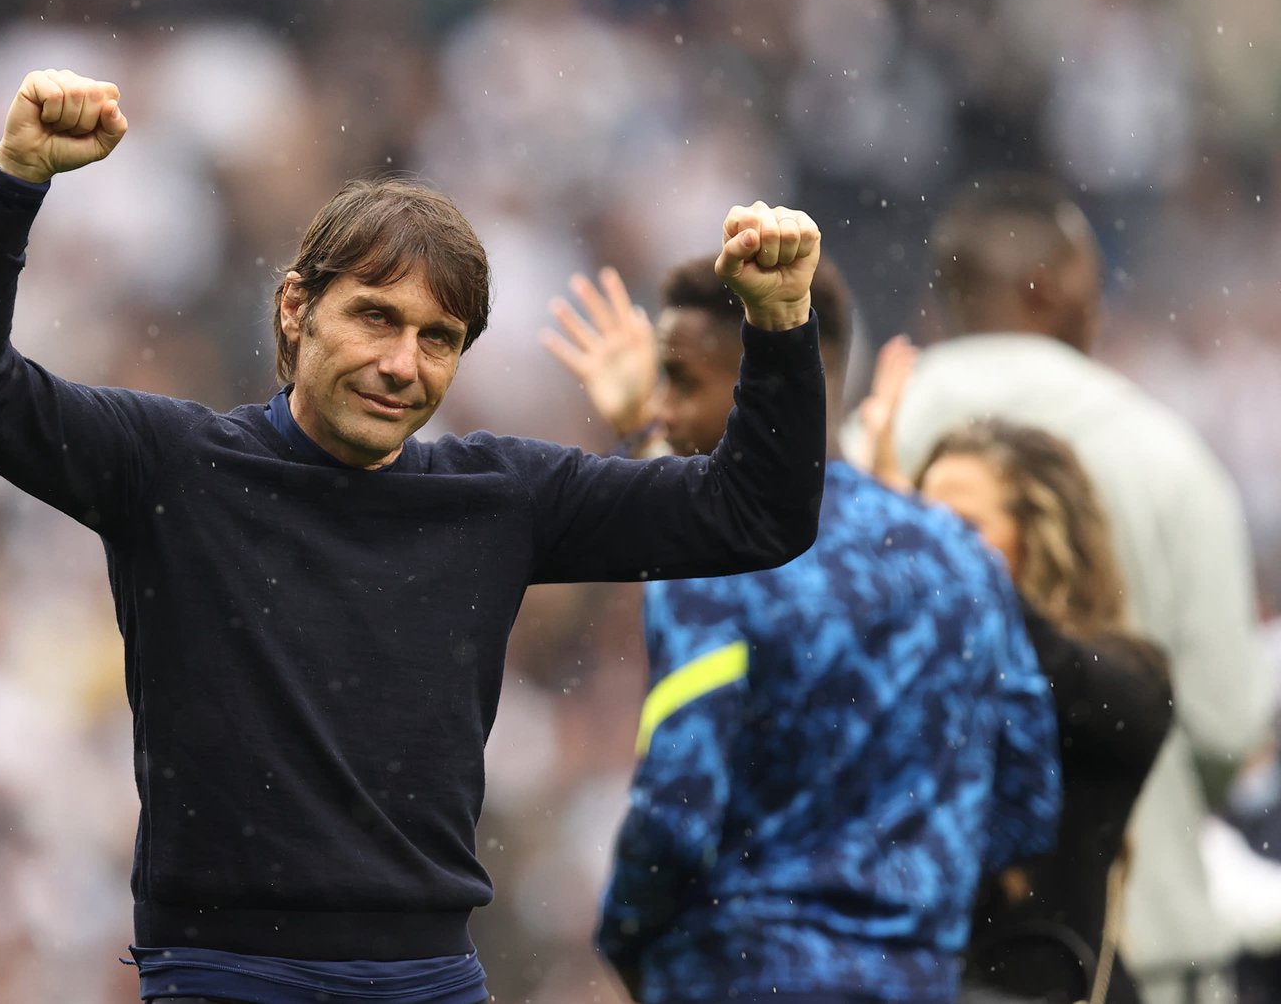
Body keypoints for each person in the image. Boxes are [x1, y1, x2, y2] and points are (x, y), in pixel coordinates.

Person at [0, 69, 829, 1004]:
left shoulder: (503, 494)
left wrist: (781, 322)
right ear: (297, 308)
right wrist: (14, 177)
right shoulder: (174, 467)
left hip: (428, 980)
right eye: (376, 317)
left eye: (438, 337)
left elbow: (758, 513)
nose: (401, 364)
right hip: (224, 977)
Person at [541, 256, 1061, 1003]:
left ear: (768, 379)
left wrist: (626, 937)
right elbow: (1027, 796)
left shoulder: (714, 565)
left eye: (683, 382)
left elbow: (677, 816)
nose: (671, 413)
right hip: (918, 980)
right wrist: (908, 911)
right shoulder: (958, 557)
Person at [881, 174, 1275, 1004]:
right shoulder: (1169, 454)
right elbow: (1220, 725)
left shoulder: (862, 446)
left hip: (903, 957)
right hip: (1143, 945)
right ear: (1048, 288)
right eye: (1095, 288)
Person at [911, 419, 1173, 1004]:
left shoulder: (1125, 675)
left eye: (964, 528)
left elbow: (1075, 682)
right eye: (922, 524)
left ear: (1043, 535)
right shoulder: (910, 670)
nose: (932, 548)